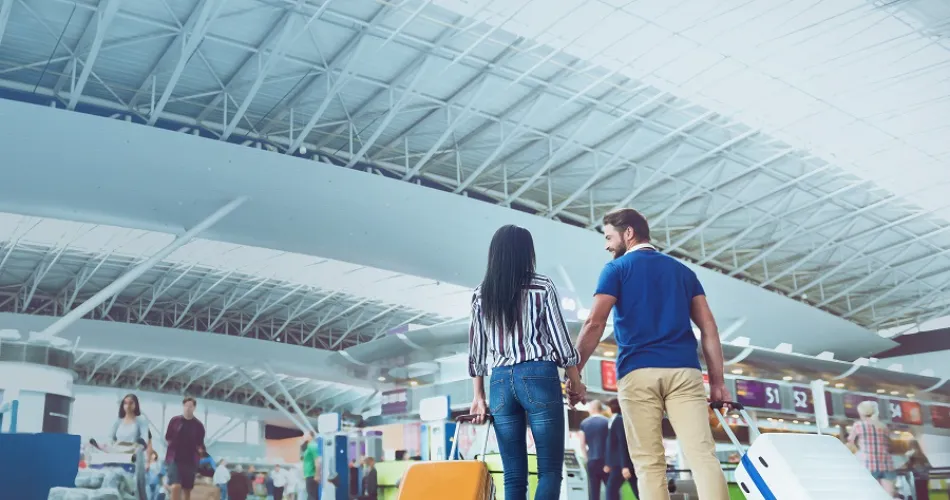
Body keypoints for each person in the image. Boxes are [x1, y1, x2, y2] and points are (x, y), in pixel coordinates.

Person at [571, 208, 730, 500]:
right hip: (684, 372)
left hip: (637, 372)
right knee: (702, 456)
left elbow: (594, 323)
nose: (607, 245)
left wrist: (575, 370)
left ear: (628, 232)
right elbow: (709, 328)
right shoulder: (683, 272)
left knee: (648, 463)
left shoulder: (615, 270)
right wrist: (718, 382)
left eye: (609, 237)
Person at [468, 224, 584, 500]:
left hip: (499, 382)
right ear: (526, 253)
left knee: (514, 475)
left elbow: (477, 351)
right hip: (538, 376)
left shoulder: (481, 294)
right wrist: (575, 381)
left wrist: (478, 396)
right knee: (549, 469)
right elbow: (560, 341)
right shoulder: (541, 286)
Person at [848, 401, 896, 496]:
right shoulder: (883, 426)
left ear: (861, 413)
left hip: (868, 464)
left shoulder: (858, 425)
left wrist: (857, 452)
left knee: (871, 495)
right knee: (888, 495)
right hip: (887, 464)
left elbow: (850, 443)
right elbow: (890, 445)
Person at [164, 397, 207, 500]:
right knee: (175, 486)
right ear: (183, 406)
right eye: (186, 406)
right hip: (175, 459)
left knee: (187, 489)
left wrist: (201, 451)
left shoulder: (199, 425)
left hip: (190, 461)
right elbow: (168, 436)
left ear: (194, 408)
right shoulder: (175, 421)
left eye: (190, 406)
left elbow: (200, 443)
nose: (188, 408)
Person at [111, 393, 151, 500]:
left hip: (134, 459)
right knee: (119, 486)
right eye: (125, 403)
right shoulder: (118, 421)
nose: (128, 405)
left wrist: (139, 446)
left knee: (134, 488)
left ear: (136, 405)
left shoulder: (141, 420)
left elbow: (144, 439)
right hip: (119, 458)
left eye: (131, 403)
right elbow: (111, 439)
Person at [604, 398, 638, 500]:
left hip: (621, 465)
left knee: (610, 491)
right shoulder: (616, 420)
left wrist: (625, 466)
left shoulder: (619, 420)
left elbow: (622, 443)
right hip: (619, 464)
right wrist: (608, 463)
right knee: (638, 490)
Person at [578, 400, 610, 500]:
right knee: (611, 490)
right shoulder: (607, 422)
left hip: (591, 460)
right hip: (607, 462)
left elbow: (582, 444)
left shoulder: (584, 423)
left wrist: (586, 458)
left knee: (594, 491)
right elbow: (612, 443)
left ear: (592, 409)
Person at [301, 432, 321, 500]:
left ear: (310, 436)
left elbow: (317, 460)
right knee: (311, 496)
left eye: (305, 434)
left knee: (312, 497)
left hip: (312, 475)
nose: (303, 436)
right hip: (309, 475)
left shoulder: (312, 445)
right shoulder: (309, 446)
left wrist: (317, 475)